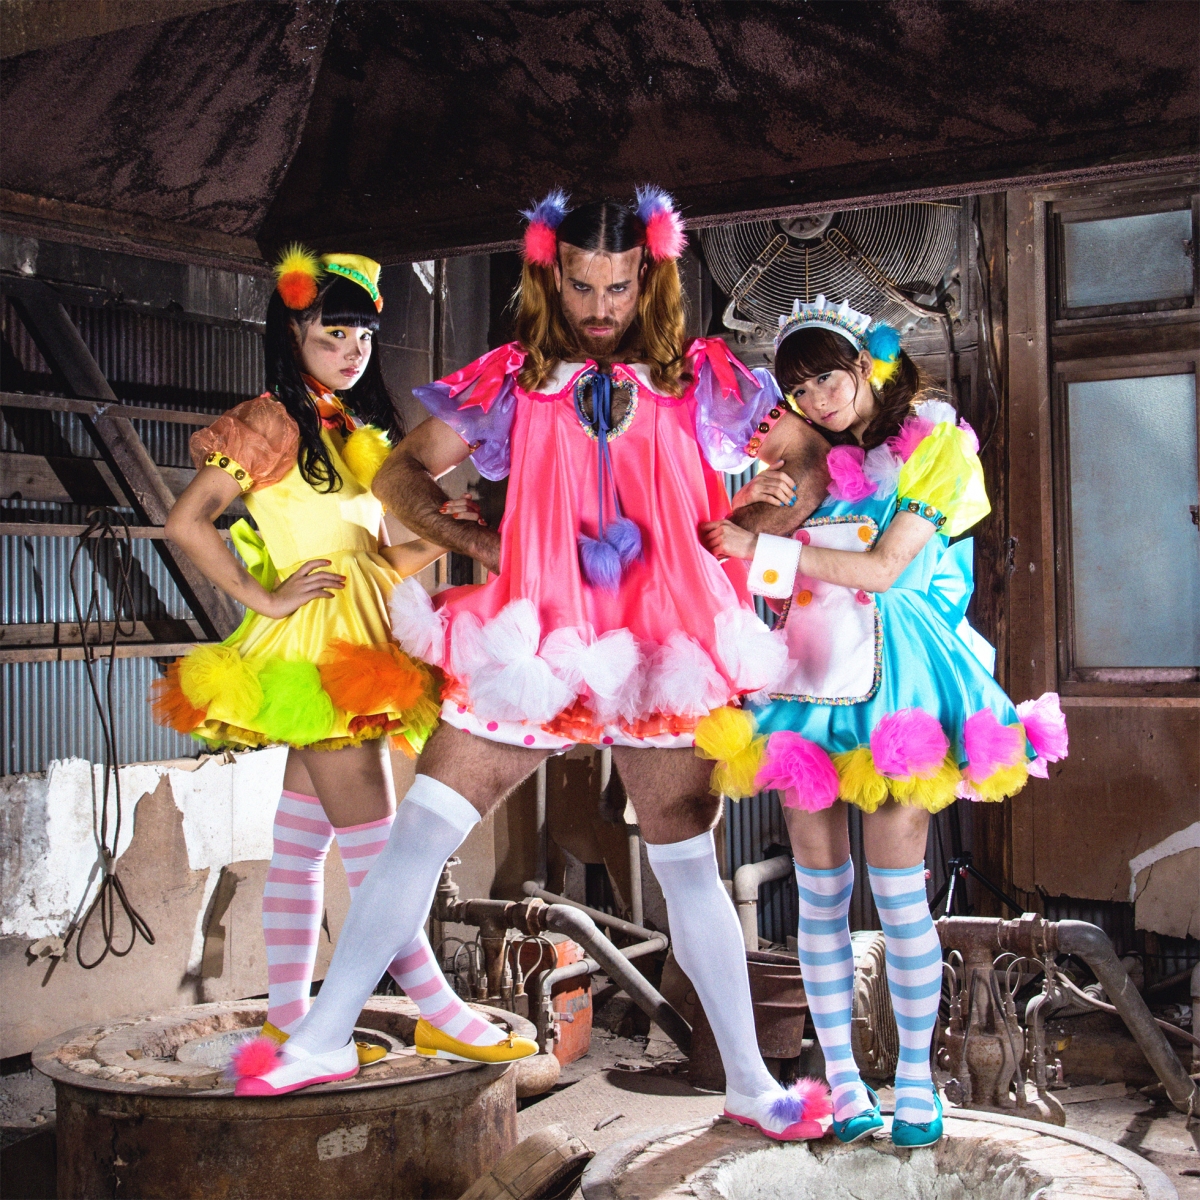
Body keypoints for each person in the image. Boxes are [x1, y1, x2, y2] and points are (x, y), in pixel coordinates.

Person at [233, 189, 836, 1141]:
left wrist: (750, 523)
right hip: (534, 638)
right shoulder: (512, 379)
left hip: (662, 642)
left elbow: (804, 460)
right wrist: (474, 542)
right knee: (420, 830)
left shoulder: (699, 376)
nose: (600, 307)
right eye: (583, 286)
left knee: (689, 865)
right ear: (553, 276)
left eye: (619, 287)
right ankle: (323, 1037)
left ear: (650, 277)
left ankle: (753, 1086)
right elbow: (398, 474)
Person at [699, 295, 1068, 1148]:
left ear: (867, 365)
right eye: (798, 389)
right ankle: (842, 1079)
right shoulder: (803, 454)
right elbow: (749, 571)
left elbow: (887, 569)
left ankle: (915, 1081)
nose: (816, 400)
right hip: (806, 681)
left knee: (900, 899)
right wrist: (759, 511)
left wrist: (762, 546)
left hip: (898, 682)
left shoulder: (935, 442)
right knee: (820, 897)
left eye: (828, 378)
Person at [154, 247, 513, 1070]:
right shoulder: (269, 421)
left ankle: (289, 1020)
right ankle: (437, 1009)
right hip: (321, 654)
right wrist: (265, 597)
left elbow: (373, 563)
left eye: (363, 336)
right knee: (384, 854)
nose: (353, 351)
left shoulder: (350, 430)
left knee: (301, 847)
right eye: (333, 334)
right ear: (293, 332)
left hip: (361, 636)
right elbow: (185, 521)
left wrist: (442, 534)